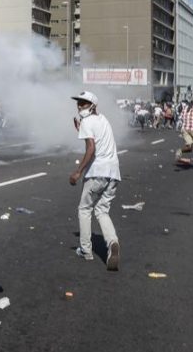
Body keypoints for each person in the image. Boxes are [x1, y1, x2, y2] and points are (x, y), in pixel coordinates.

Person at [69, 91, 121, 271]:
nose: (79, 106)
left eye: (83, 103)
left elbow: (91, 148)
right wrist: (81, 129)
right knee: (102, 210)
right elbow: (97, 139)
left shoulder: (87, 122)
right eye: (78, 103)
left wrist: (78, 172)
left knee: (84, 209)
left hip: (97, 172)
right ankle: (113, 242)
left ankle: (86, 250)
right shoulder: (103, 120)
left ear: (92, 106)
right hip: (113, 173)